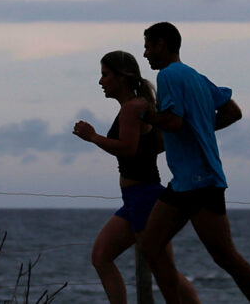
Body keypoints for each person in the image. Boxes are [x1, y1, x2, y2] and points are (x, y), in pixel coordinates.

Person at [136, 22, 250, 304]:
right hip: (184, 182)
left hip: (201, 181)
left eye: (148, 46)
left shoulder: (169, 75)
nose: (145, 54)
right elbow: (232, 112)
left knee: (225, 256)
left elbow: (173, 121)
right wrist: (202, 128)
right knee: (150, 245)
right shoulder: (196, 76)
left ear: (162, 44)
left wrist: (146, 116)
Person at [73, 50, 200, 304]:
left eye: (105, 75)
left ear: (121, 77)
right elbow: (156, 144)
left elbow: (128, 149)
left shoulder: (134, 108)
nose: (101, 82)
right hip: (135, 198)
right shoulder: (138, 106)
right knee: (101, 256)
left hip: (145, 196)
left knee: (163, 268)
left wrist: (93, 137)